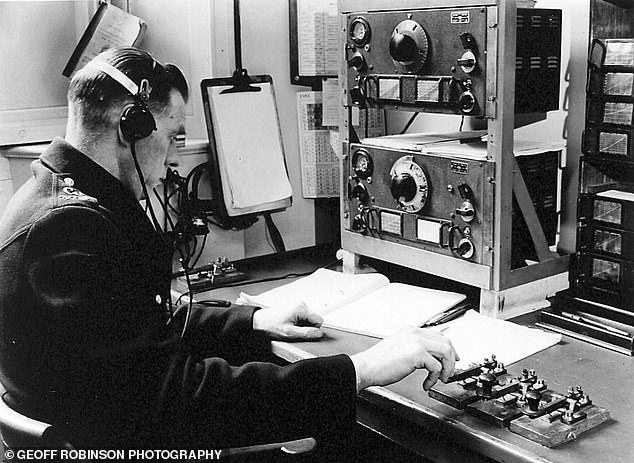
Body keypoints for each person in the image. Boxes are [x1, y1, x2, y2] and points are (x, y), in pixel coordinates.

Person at [0, 47, 458, 452]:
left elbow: (133, 326)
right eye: (173, 136)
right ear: (132, 126)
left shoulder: (55, 200)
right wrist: (359, 368)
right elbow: (180, 398)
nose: (175, 157)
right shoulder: (68, 230)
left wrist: (254, 320)